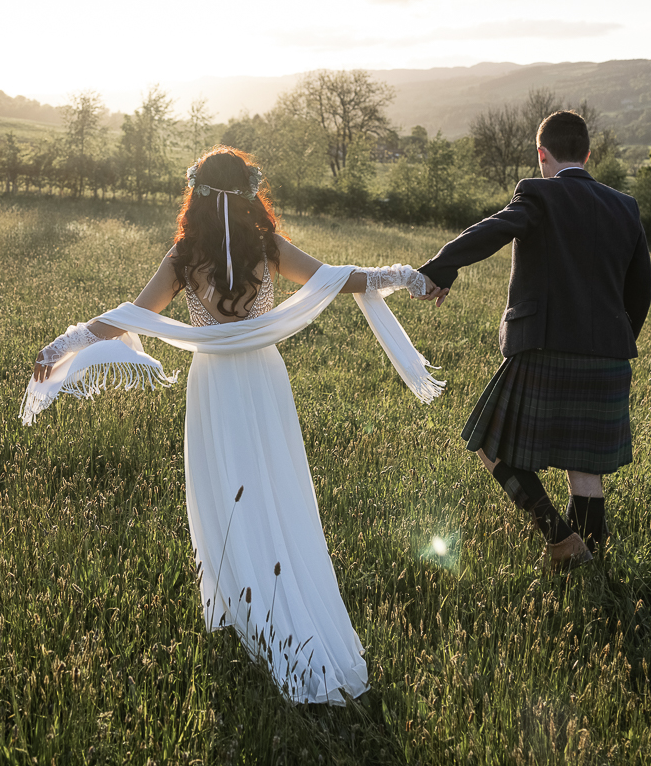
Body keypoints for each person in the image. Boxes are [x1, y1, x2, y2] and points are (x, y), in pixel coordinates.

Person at [27, 146, 442, 704]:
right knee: (274, 486)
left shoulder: (184, 257)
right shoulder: (266, 247)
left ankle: (251, 609)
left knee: (229, 493)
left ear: (195, 194)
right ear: (250, 192)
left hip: (215, 385)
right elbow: (337, 279)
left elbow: (130, 316)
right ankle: (276, 607)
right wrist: (407, 276)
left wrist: (63, 345)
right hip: (264, 379)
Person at [417, 111, 651, 570]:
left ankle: (560, 538)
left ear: (542, 154)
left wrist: (440, 268)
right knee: (584, 465)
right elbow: (640, 289)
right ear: (588, 154)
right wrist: (616, 339)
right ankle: (592, 561)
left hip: (545, 346)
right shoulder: (625, 206)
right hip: (609, 353)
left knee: (488, 443)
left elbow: (491, 230)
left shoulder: (539, 193)